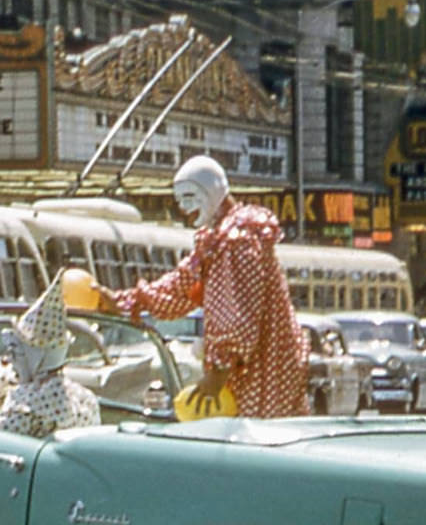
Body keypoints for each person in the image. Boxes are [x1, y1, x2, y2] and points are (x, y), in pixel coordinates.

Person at [109, 154, 309, 418]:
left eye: (190, 197)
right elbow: (181, 286)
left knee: (256, 446)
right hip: (252, 369)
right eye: (180, 200)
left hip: (260, 370)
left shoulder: (237, 238)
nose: (183, 207)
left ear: (212, 192)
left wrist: (218, 372)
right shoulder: (217, 238)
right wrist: (127, 300)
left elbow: (238, 314)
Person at [0, 276, 101, 438]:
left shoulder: (22, 411)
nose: (8, 359)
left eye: (16, 352)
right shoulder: (86, 400)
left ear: (35, 358)